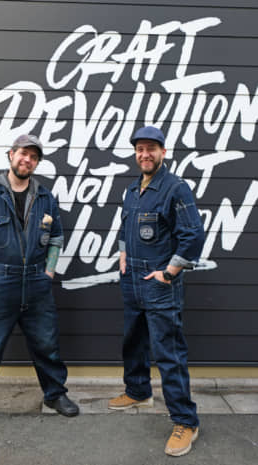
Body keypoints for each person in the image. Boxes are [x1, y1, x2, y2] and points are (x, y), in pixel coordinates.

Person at [0, 134, 79, 433]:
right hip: (0, 283)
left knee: (47, 345)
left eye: (34, 157)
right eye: (23, 153)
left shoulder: (45, 197)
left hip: (37, 283)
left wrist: (48, 272)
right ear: (11, 155)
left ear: (36, 162)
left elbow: (56, 238)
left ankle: (56, 396)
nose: (27, 160)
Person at [108, 126, 205, 457]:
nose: (144, 154)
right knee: (132, 340)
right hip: (132, 280)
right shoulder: (133, 190)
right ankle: (138, 391)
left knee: (168, 353)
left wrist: (169, 271)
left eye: (151, 148)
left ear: (163, 152)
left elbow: (193, 234)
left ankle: (186, 421)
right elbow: (125, 225)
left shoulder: (175, 188)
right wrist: (122, 253)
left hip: (159, 284)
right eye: (139, 149)